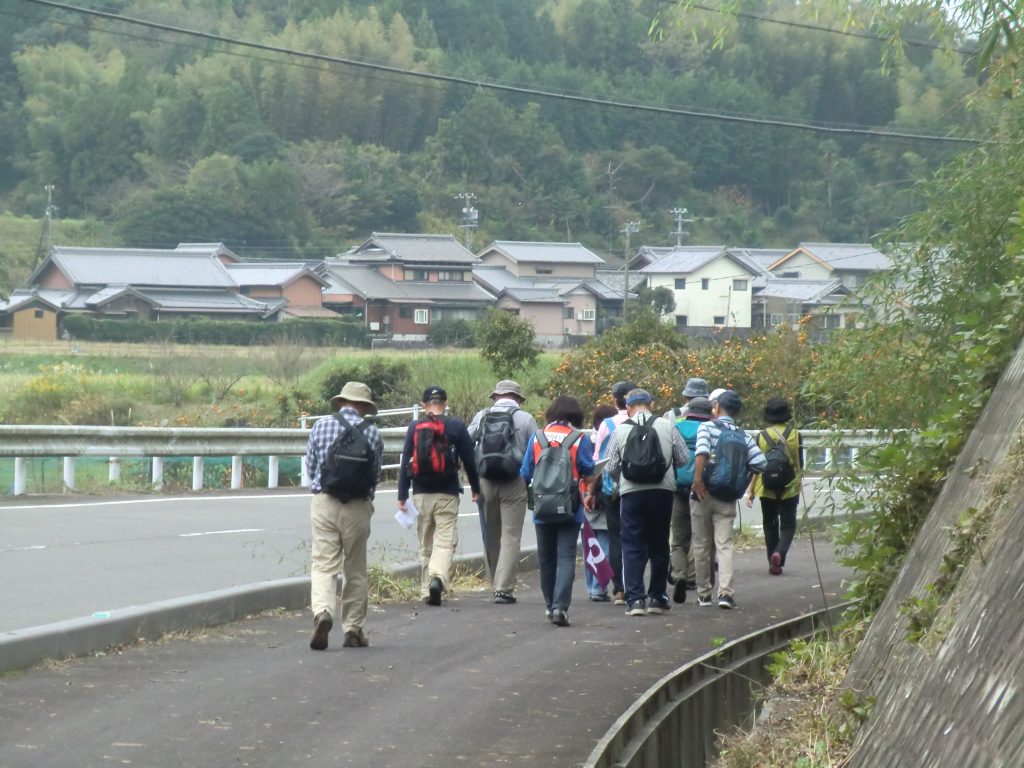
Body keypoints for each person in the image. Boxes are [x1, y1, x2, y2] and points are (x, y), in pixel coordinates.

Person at [305, 381, 383, 650]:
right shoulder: (372, 433)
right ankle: (352, 629)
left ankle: (323, 612)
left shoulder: (321, 426)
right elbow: (375, 474)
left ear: (341, 402)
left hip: (325, 502)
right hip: (357, 506)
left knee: (324, 564)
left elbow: (311, 466)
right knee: (355, 569)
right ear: (364, 406)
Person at [600, 388, 689, 617]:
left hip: (631, 494)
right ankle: (657, 597)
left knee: (632, 545)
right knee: (659, 543)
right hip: (662, 492)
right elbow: (683, 458)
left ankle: (635, 599)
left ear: (628, 407)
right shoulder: (668, 426)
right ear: (651, 404)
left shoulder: (621, 430)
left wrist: (625, 475)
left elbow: (610, 466)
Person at [398, 386, 481, 606]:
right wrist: (476, 488)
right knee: (444, 541)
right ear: (445, 403)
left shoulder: (415, 427)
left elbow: (406, 460)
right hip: (447, 492)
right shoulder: (456, 426)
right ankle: (438, 578)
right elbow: (469, 461)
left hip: (421, 493)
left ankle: (426, 590)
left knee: (425, 542)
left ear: (424, 405)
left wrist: (402, 494)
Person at [521, 396, 597, 627]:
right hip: (570, 506)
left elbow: (525, 472)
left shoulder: (538, 437)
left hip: (543, 506)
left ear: (551, 413)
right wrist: (588, 489)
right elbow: (589, 471)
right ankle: (560, 607)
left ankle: (549, 604)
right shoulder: (579, 439)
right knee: (565, 557)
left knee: (546, 558)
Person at [691, 390, 766, 610]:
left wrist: (698, 481)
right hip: (728, 497)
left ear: (716, 408)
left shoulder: (707, 427)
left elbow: (701, 453)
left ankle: (704, 594)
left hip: (703, 493)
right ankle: (725, 593)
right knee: (724, 545)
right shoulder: (743, 435)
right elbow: (761, 463)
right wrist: (741, 479)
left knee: (701, 544)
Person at [467, 380, 540, 604]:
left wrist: (473, 478)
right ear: (517, 398)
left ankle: (493, 582)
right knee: (511, 535)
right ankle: (503, 588)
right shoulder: (526, 418)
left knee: (491, 533)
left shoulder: (482, 416)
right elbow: (538, 449)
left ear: (496, 397)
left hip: (486, 480)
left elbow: (466, 442)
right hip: (515, 480)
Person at [745, 397, 803, 576]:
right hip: (789, 486)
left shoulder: (762, 436)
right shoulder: (795, 434)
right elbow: (800, 464)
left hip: (766, 486)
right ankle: (780, 553)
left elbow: (756, 465)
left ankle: (773, 561)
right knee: (788, 525)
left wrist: (751, 490)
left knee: (770, 524)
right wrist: (798, 483)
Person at [591, 381, 636, 605]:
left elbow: (598, 461)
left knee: (615, 538)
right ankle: (637, 586)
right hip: (638, 486)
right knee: (637, 538)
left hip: (612, 489)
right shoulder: (646, 422)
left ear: (614, 399)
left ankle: (620, 589)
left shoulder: (607, 425)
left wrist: (590, 491)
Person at [669, 395, 713, 603]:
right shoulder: (710, 428)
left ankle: (678, 574)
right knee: (701, 537)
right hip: (702, 489)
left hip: (678, 488)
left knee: (679, 539)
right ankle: (694, 577)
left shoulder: (676, 426)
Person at [584, 403, 618, 601]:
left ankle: (592, 587)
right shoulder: (608, 441)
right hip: (602, 498)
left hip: (585, 500)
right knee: (604, 545)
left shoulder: (587, 441)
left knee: (590, 545)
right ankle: (599, 587)